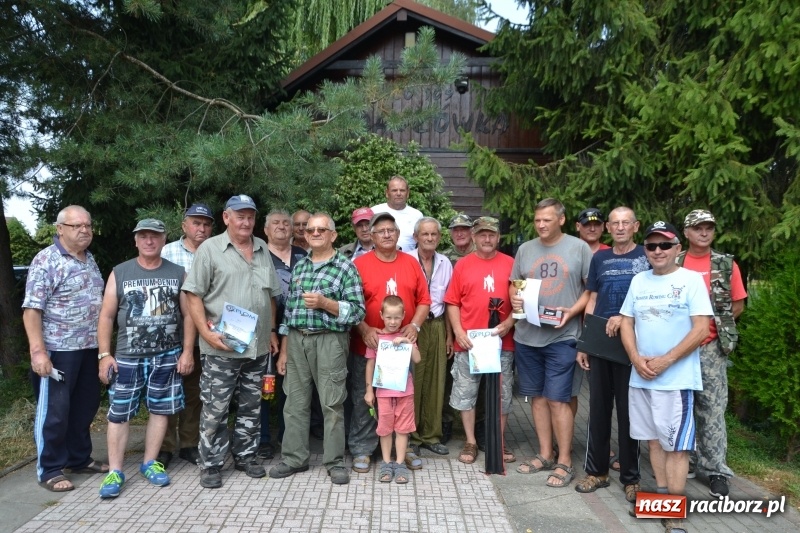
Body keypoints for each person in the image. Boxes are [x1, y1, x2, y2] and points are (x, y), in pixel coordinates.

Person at [182, 195, 281, 489]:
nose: (246, 222)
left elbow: (270, 296)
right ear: (226, 218)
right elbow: (193, 295)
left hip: (257, 346)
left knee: (252, 405)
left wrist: (273, 331)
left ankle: (245, 455)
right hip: (221, 345)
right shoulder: (210, 250)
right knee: (216, 407)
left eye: (250, 216)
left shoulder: (262, 248)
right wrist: (205, 332)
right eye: (240, 216)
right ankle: (210, 464)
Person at [620, 220, 712, 533]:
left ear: (678, 248)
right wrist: (635, 358)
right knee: (654, 443)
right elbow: (626, 324)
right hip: (641, 377)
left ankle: (675, 510)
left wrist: (666, 361)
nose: (657, 251)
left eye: (665, 245)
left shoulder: (691, 280)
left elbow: (701, 329)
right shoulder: (639, 281)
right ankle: (661, 502)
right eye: (651, 245)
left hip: (675, 380)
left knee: (677, 447)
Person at [96, 218, 195, 499]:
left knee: (161, 410)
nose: (149, 241)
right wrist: (105, 355)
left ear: (164, 240)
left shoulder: (178, 273)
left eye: (155, 236)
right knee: (119, 413)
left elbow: (189, 315)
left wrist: (187, 351)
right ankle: (115, 470)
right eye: (144, 236)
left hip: (167, 355)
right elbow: (106, 315)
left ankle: (150, 463)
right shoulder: (121, 272)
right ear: (136, 240)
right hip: (127, 357)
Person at [270, 213, 366, 485]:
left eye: (321, 229)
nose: (314, 233)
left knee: (332, 403)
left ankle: (335, 462)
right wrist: (286, 350)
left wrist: (326, 303)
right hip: (298, 340)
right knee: (294, 401)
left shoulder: (346, 267)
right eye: (310, 230)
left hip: (330, 341)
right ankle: (293, 458)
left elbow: (358, 312)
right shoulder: (300, 266)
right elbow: (289, 313)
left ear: (333, 235)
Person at [23, 205, 107, 492]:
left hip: (88, 347)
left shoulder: (89, 259)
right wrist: (38, 352)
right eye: (76, 226)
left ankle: (78, 458)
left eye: (88, 225)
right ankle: (50, 468)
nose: (84, 230)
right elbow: (32, 310)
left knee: (84, 408)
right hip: (58, 350)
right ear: (60, 229)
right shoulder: (46, 260)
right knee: (55, 412)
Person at [511, 198, 592, 488]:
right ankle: (545, 453)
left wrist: (573, 311)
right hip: (527, 335)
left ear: (561, 219)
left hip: (563, 335)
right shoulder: (525, 249)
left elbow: (590, 289)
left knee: (559, 400)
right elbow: (515, 283)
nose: (541, 225)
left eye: (547, 219)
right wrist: (515, 297)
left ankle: (565, 461)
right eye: (537, 220)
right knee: (537, 398)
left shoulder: (579, 247)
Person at [575, 207, 649, 503]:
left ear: (635, 226)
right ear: (608, 227)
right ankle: (597, 472)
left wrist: (625, 317)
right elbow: (592, 298)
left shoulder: (646, 256)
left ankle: (631, 478)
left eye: (625, 223)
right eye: (615, 223)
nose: (619, 228)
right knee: (598, 409)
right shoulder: (599, 258)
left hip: (633, 343)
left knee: (630, 413)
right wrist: (585, 343)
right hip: (602, 345)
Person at [350, 212, 431, 474]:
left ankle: (402, 449)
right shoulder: (360, 264)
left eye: (391, 230)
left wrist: (414, 326)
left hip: (400, 348)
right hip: (370, 344)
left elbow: (424, 300)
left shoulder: (411, 263)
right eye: (381, 230)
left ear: (398, 235)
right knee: (367, 398)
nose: (386, 234)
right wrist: (363, 329)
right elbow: (351, 304)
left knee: (401, 399)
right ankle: (363, 448)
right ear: (371, 236)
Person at [679, 209, 747, 498]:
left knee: (712, 410)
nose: (703, 233)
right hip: (678, 349)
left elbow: (738, 304)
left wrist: (713, 331)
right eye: (697, 228)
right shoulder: (675, 261)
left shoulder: (725, 264)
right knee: (682, 408)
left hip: (710, 350)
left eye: (708, 228)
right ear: (686, 233)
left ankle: (716, 470)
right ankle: (689, 460)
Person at [444, 216, 516, 465]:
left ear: (498, 238)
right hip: (470, 342)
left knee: (502, 394)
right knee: (467, 392)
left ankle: (499, 439)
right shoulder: (463, 265)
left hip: (501, 341)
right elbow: (452, 302)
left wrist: (510, 323)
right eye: (482, 234)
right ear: (474, 237)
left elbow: (520, 301)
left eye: (492, 235)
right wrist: (458, 332)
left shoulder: (511, 264)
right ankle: (471, 441)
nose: (487, 239)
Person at [157, 202, 214, 468]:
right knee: (166, 391)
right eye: (196, 223)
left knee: (194, 392)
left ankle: (189, 444)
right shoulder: (167, 252)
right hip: (169, 333)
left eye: (205, 224)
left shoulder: (218, 252)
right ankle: (164, 446)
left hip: (206, 333)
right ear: (184, 226)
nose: (201, 228)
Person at [260, 209, 313, 459]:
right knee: (262, 385)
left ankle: (287, 437)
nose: (281, 226)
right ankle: (262, 440)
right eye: (275, 223)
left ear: (292, 229)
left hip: (296, 329)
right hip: (263, 330)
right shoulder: (258, 256)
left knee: (291, 386)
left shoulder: (304, 256)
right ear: (266, 230)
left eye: (286, 223)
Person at [407, 217, 453, 456]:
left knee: (436, 380)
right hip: (413, 325)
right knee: (414, 380)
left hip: (437, 326)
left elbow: (450, 300)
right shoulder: (406, 260)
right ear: (416, 237)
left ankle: (431, 435)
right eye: (425, 234)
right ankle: (411, 436)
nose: (430, 238)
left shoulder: (445, 262)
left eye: (434, 234)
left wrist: (448, 335)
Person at [364, 296, 422, 484]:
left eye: (397, 317)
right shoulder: (377, 340)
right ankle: (386, 462)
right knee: (385, 429)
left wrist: (407, 343)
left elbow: (418, 359)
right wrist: (369, 391)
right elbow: (370, 365)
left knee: (403, 430)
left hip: (405, 392)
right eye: (388, 317)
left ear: (404, 316)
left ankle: (399, 463)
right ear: (381, 315)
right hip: (383, 393)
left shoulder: (407, 338)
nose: (393, 321)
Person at [440, 213, 474, 444]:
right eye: (455, 229)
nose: (460, 233)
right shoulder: (444, 259)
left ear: (471, 231)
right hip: (449, 324)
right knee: (448, 377)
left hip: (476, 327)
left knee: (476, 378)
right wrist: (450, 334)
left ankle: (478, 425)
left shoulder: (479, 255)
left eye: (464, 228)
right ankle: (446, 422)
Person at [371, 175, 423, 251]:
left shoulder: (417, 215)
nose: (398, 193)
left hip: (408, 261)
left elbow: (420, 243)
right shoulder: (375, 211)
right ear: (387, 193)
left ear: (407, 193)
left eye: (402, 190)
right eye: (394, 190)